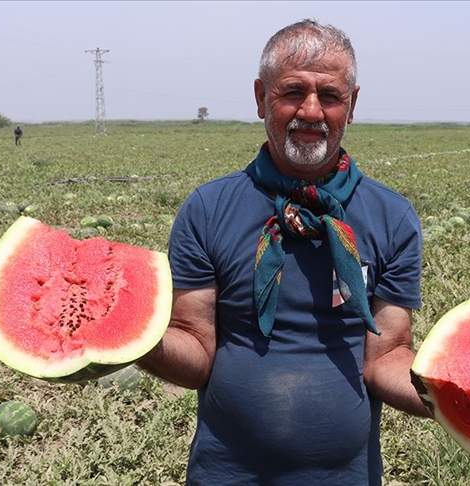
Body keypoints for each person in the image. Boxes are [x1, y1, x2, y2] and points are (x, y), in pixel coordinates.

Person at [137, 19, 430, 485]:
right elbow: (194, 350)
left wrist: (457, 399)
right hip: (225, 474)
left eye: (330, 96)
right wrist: (131, 335)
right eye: (293, 91)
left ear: (351, 105)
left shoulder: (391, 217)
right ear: (260, 97)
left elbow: (387, 357)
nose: (311, 111)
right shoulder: (209, 209)